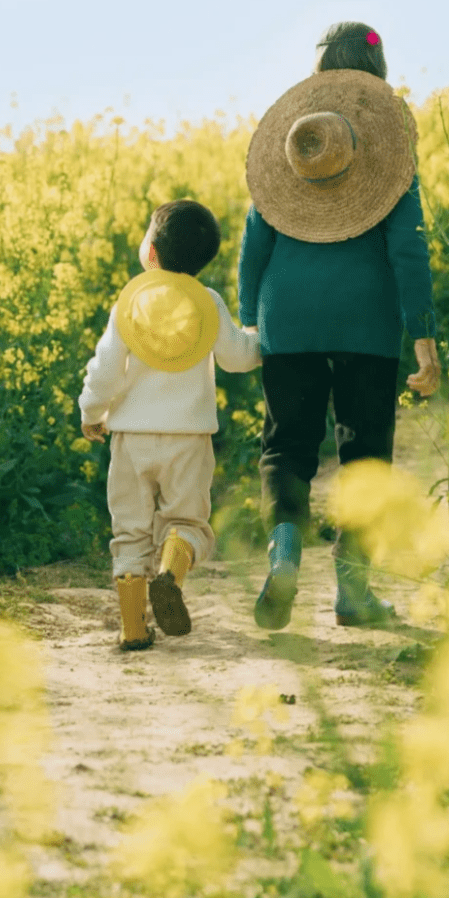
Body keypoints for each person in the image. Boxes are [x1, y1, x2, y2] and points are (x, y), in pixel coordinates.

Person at [237, 21, 440, 631]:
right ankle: (353, 592)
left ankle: (285, 553)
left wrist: (251, 323)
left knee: (286, 445)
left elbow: (254, 246)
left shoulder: (292, 146)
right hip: (367, 322)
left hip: (287, 319)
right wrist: (424, 342)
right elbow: (410, 252)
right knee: (366, 455)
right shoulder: (389, 151)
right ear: (374, 77)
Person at [80, 199, 261, 651]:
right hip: (189, 438)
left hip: (131, 440)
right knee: (187, 523)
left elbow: (104, 370)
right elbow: (238, 358)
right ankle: (171, 573)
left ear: (151, 252)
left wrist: (91, 414)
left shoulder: (132, 301)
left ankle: (133, 628)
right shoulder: (207, 301)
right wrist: (259, 337)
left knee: (130, 531)